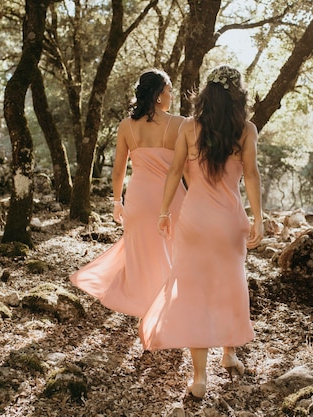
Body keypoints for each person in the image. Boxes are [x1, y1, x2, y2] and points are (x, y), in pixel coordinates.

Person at [138, 65, 263, 399]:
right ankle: (229, 353)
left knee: (194, 293)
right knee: (230, 284)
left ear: (206, 93)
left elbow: (174, 171)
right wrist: (259, 218)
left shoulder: (190, 127)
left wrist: (164, 211)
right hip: (229, 222)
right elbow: (251, 175)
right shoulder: (246, 130)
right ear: (238, 94)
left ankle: (199, 378)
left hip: (194, 220)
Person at [69, 69, 186, 318]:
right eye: (168, 90)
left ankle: (143, 306)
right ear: (157, 95)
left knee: (142, 254)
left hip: (139, 198)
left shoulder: (126, 126)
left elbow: (118, 171)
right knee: (174, 252)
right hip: (173, 199)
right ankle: (168, 309)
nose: (172, 94)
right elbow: (188, 168)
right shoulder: (179, 124)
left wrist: (116, 202)